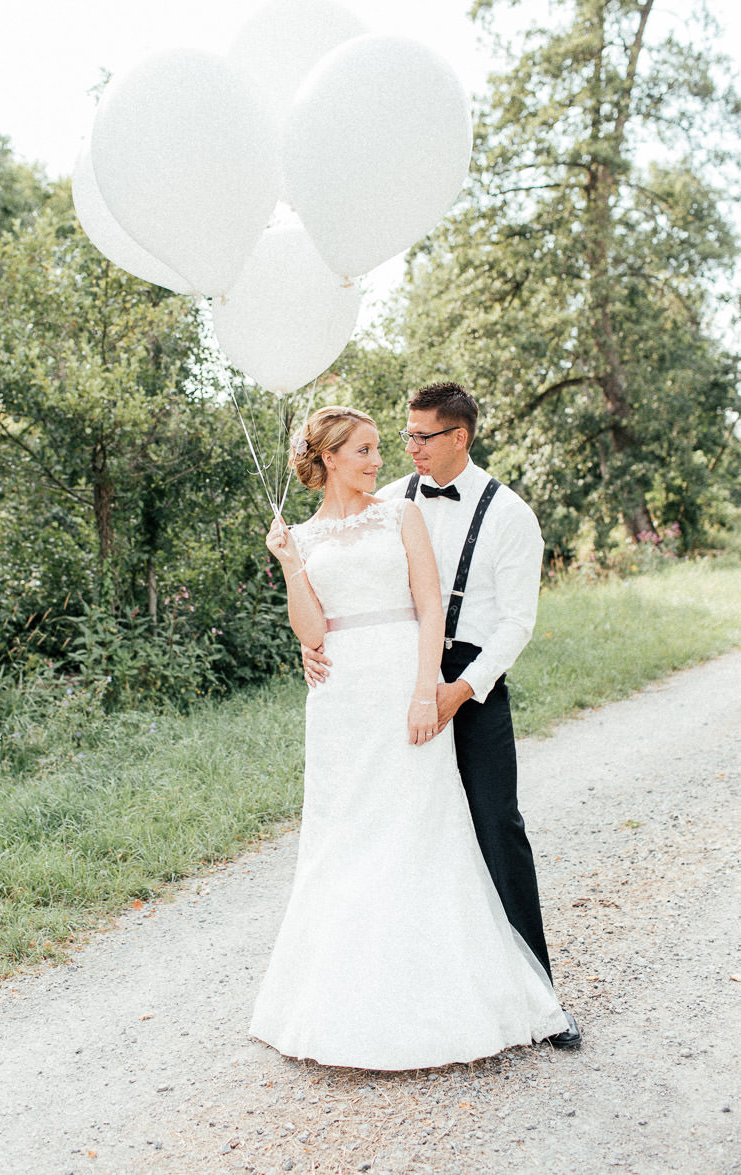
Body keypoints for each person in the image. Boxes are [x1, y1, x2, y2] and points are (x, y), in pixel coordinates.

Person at [250, 405, 570, 1070]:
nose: (379, 460)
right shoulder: (303, 535)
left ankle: (477, 993)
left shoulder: (402, 513)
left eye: (379, 447)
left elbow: (430, 605)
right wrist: (286, 561)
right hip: (340, 704)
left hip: (405, 686)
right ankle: (347, 1007)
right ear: (330, 457)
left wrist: (427, 691)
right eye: (365, 449)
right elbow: (312, 632)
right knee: (346, 838)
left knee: (427, 829)